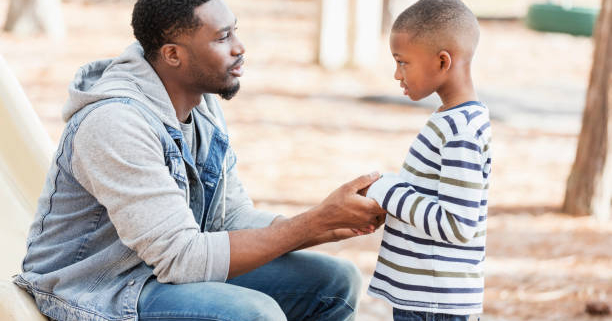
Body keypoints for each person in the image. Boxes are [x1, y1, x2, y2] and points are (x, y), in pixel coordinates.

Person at [12, 1, 387, 321]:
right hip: (96, 288)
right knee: (254, 314)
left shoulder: (199, 101)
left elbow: (229, 218)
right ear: (174, 54)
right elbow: (181, 259)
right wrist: (308, 225)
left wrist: (326, 223)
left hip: (158, 271)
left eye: (235, 32)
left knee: (335, 282)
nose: (240, 48)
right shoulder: (114, 123)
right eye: (223, 38)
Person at [362, 1, 492, 320]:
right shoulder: (452, 120)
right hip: (426, 299)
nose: (396, 74)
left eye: (402, 62)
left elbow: (458, 224)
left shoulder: (460, 129)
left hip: (435, 304)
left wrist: (386, 191)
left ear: (442, 61)